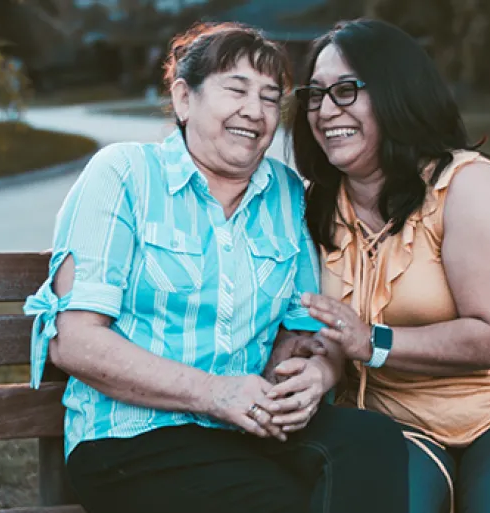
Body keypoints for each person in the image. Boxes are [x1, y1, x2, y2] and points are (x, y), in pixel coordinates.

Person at [23, 22, 409, 513]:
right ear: (184, 99)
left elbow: (303, 328)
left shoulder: (286, 194)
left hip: (246, 428)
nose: (255, 111)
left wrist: (311, 375)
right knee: (278, 501)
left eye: (271, 98)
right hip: (133, 439)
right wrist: (213, 392)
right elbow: (74, 340)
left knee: (369, 439)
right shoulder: (124, 174)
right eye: (237, 89)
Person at [285, 18, 490, 513]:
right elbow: (331, 333)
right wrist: (318, 365)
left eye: (345, 90)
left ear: (396, 93)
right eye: (314, 95)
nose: (324, 110)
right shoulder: (317, 204)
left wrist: (372, 343)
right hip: (394, 423)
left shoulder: (465, 186)